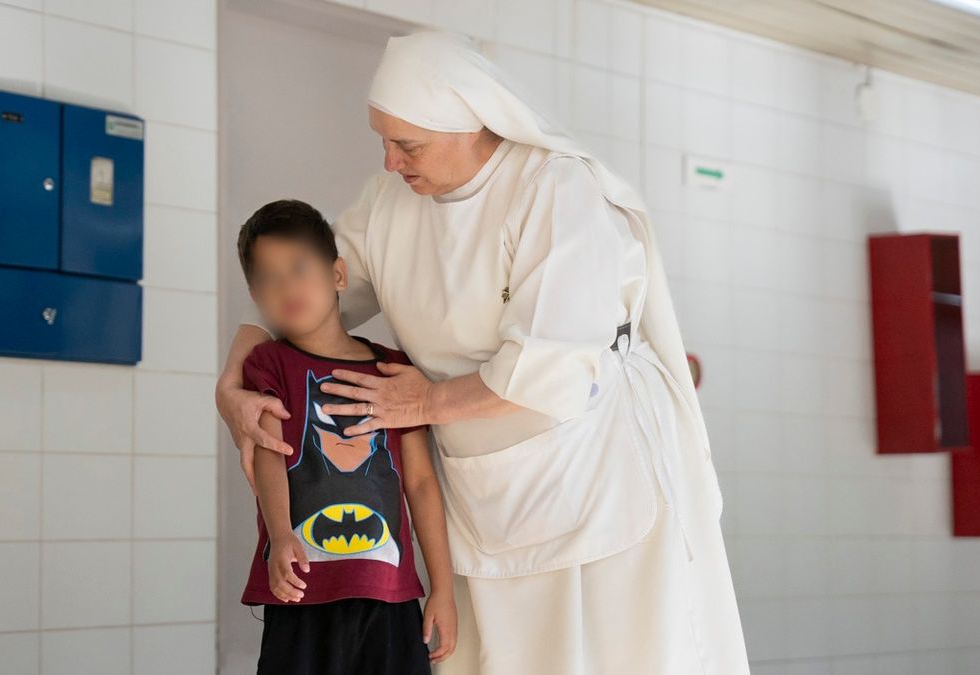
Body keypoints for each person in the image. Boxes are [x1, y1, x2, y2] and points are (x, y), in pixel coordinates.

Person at [217, 31, 751, 674]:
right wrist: (230, 387)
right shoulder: (391, 202)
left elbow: (554, 364)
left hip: (592, 468)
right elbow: (300, 302)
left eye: (406, 144)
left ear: (469, 124)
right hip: (477, 487)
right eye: (382, 140)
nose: (389, 162)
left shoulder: (556, 188)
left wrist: (429, 399)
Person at [234, 199, 458, 674]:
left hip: (389, 593)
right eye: (268, 278)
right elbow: (270, 455)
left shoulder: (391, 371)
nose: (286, 287)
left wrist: (442, 586)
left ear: (337, 275)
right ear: (255, 294)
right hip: (300, 589)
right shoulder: (271, 364)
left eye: (298, 268)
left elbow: (419, 482)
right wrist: (279, 538)